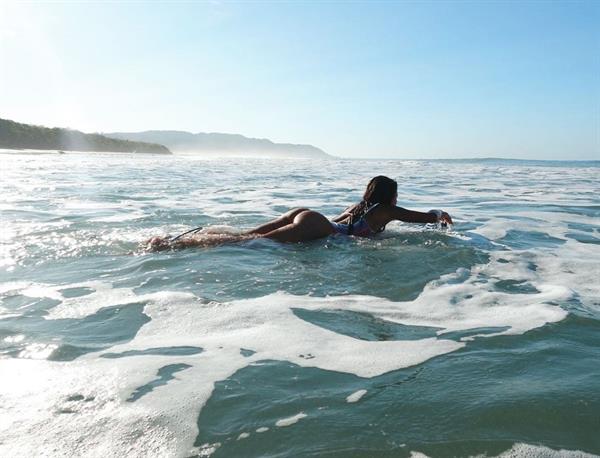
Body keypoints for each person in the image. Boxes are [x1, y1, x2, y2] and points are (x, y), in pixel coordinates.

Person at [146, 175, 453, 250]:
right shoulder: (385, 210)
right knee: (245, 244)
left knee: (246, 235)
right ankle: (173, 245)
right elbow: (425, 216)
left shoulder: (359, 206)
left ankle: (183, 237)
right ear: (390, 196)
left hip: (308, 214)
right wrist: (440, 213)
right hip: (322, 228)